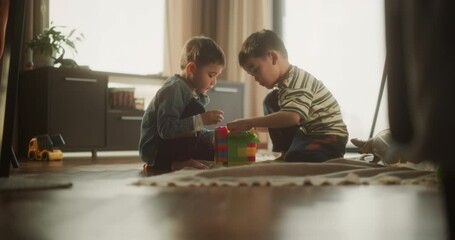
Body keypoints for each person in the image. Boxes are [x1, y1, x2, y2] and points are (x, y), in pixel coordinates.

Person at [227, 29, 348, 162]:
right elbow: (281, 123)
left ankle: (305, 155)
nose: (255, 78)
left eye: (255, 70)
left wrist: (250, 121)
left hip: (329, 137)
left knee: (296, 157)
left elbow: (291, 117)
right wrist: (251, 126)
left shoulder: (296, 81)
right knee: (271, 100)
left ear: (273, 57)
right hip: (307, 134)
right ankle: (285, 152)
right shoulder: (284, 86)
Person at [139, 36, 226, 172]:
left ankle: (178, 160)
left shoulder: (190, 91)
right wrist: (201, 119)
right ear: (191, 69)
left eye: (216, 76)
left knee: (215, 152)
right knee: (196, 108)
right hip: (156, 151)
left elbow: (190, 128)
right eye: (211, 75)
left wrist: (214, 136)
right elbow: (167, 130)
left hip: (169, 147)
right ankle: (176, 162)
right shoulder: (173, 89)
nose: (214, 82)